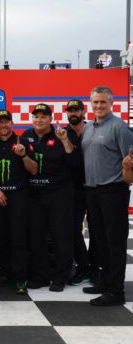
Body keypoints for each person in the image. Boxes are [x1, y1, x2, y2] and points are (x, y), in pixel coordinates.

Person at [81, 86, 133, 306]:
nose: (99, 106)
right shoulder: (89, 127)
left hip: (113, 190)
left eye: (103, 102)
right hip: (92, 191)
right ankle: (105, 280)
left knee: (115, 242)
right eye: (95, 102)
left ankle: (116, 292)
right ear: (90, 104)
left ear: (111, 103)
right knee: (99, 240)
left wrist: (128, 171)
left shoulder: (119, 128)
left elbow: (130, 163)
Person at [23, 103, 78, 292]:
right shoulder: (26, 136)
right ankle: (41, 276)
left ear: (50, 118)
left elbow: (74, 162)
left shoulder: (62, 134)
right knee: (36, 237)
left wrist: (65, 142)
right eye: (36, 116)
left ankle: (60, 277)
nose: (39, 120)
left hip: (59, 194)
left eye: (43, 116)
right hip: (35, 195)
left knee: (61, 237)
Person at [0, 110, 38, 294]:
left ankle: (20, 278)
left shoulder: (22, 142)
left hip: (19, 197)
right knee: (1, 238)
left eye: (7, 121)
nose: (3, 125)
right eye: (0, 122)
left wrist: (23, 156)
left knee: (18, 238)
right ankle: (6, 274)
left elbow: (34, 170)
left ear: (12, 124)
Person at [64, 99, 96, 285]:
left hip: (95, 186)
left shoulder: (93, 129)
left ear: (84, 111)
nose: (73, 113)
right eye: (70, 111)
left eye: (76, 110)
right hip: (73, 189)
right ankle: (83, 267)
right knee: (73, 230)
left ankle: (97, 268)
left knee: (98, 230)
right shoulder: (62, 133)